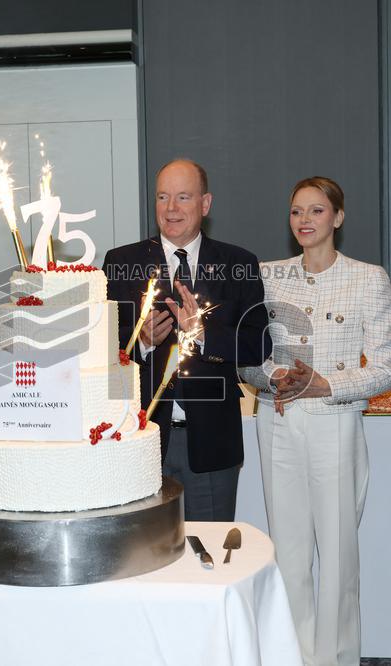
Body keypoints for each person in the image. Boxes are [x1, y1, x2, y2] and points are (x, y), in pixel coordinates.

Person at [241, 177, 391, 666]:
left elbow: (385, 369)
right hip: (278, 419)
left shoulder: (369, 278)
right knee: (287, 551)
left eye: (316, 210)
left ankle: (336, 658)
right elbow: (247, 357)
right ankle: (293, 656)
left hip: (335, 422)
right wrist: (273, 378)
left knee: (336, 554)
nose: (305, 220)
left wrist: (323, 384)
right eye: (296, 212)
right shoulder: (267, 275)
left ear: (338, 217)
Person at [103, 159, 270, 521]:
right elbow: (101, 349)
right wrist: (140, 342)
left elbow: (259, 344)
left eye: (183, 197)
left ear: (205, 204)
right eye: (163, 197)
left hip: (211, 444)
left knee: (208, 558)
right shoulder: (120, 262)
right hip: (139, 439)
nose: (171, 208)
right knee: (144, 560)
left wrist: (206, 335)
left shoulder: (238, 263)